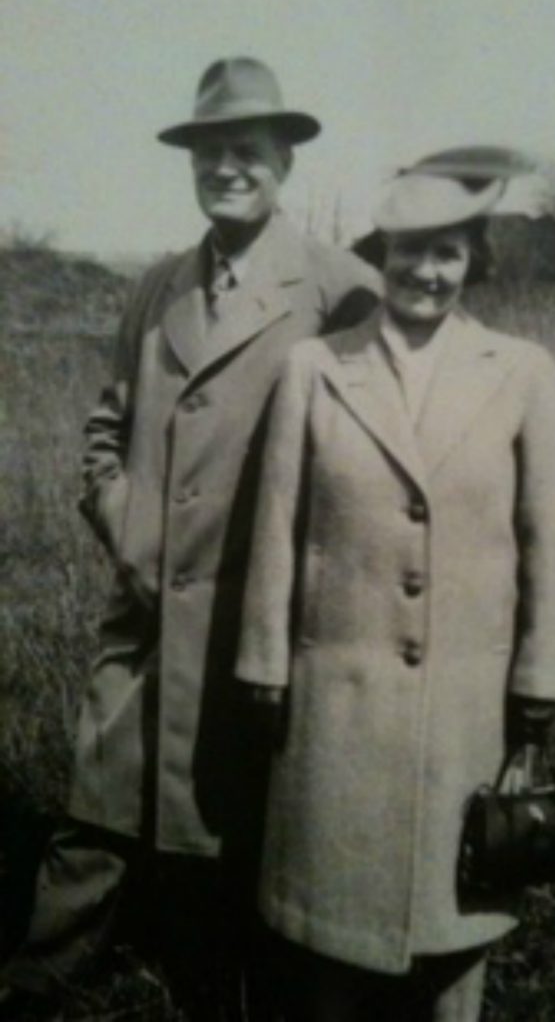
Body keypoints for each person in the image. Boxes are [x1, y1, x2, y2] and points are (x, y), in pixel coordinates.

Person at [0, 56, 378, 1021]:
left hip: (261, 622)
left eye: (247, 151)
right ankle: (41, 981)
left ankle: (229, 979)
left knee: (245, 825)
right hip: (147, 601)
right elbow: (103, 428)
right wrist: (125, 522)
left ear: (284, 161)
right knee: (100, 800)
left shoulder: (340, 288)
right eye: (210, 154)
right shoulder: (162, 284)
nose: (227, 170)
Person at [233, 147, 555, 1021]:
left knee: (455, 940)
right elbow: (278, 526)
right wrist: (264, 661)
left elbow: (546, 540)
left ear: (475, 261)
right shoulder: (315, 368)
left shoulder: (524, 372)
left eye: (449, 251)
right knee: (331, 950)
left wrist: (539, 677)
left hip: (466, 707)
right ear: (379, 255)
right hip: (335, 706)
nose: (426, 271)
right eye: (408, 250)